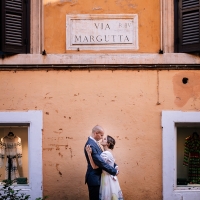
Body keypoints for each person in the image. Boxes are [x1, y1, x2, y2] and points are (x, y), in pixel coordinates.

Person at [84, 125, 118, 200]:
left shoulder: (95, 143)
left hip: (98, 178)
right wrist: (114, 171)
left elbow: (105, 160)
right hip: (94, 178)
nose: (102, 138)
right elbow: (100, 162)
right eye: (101, 135)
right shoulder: (91, 145)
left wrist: (115, 166)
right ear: (96, 133)